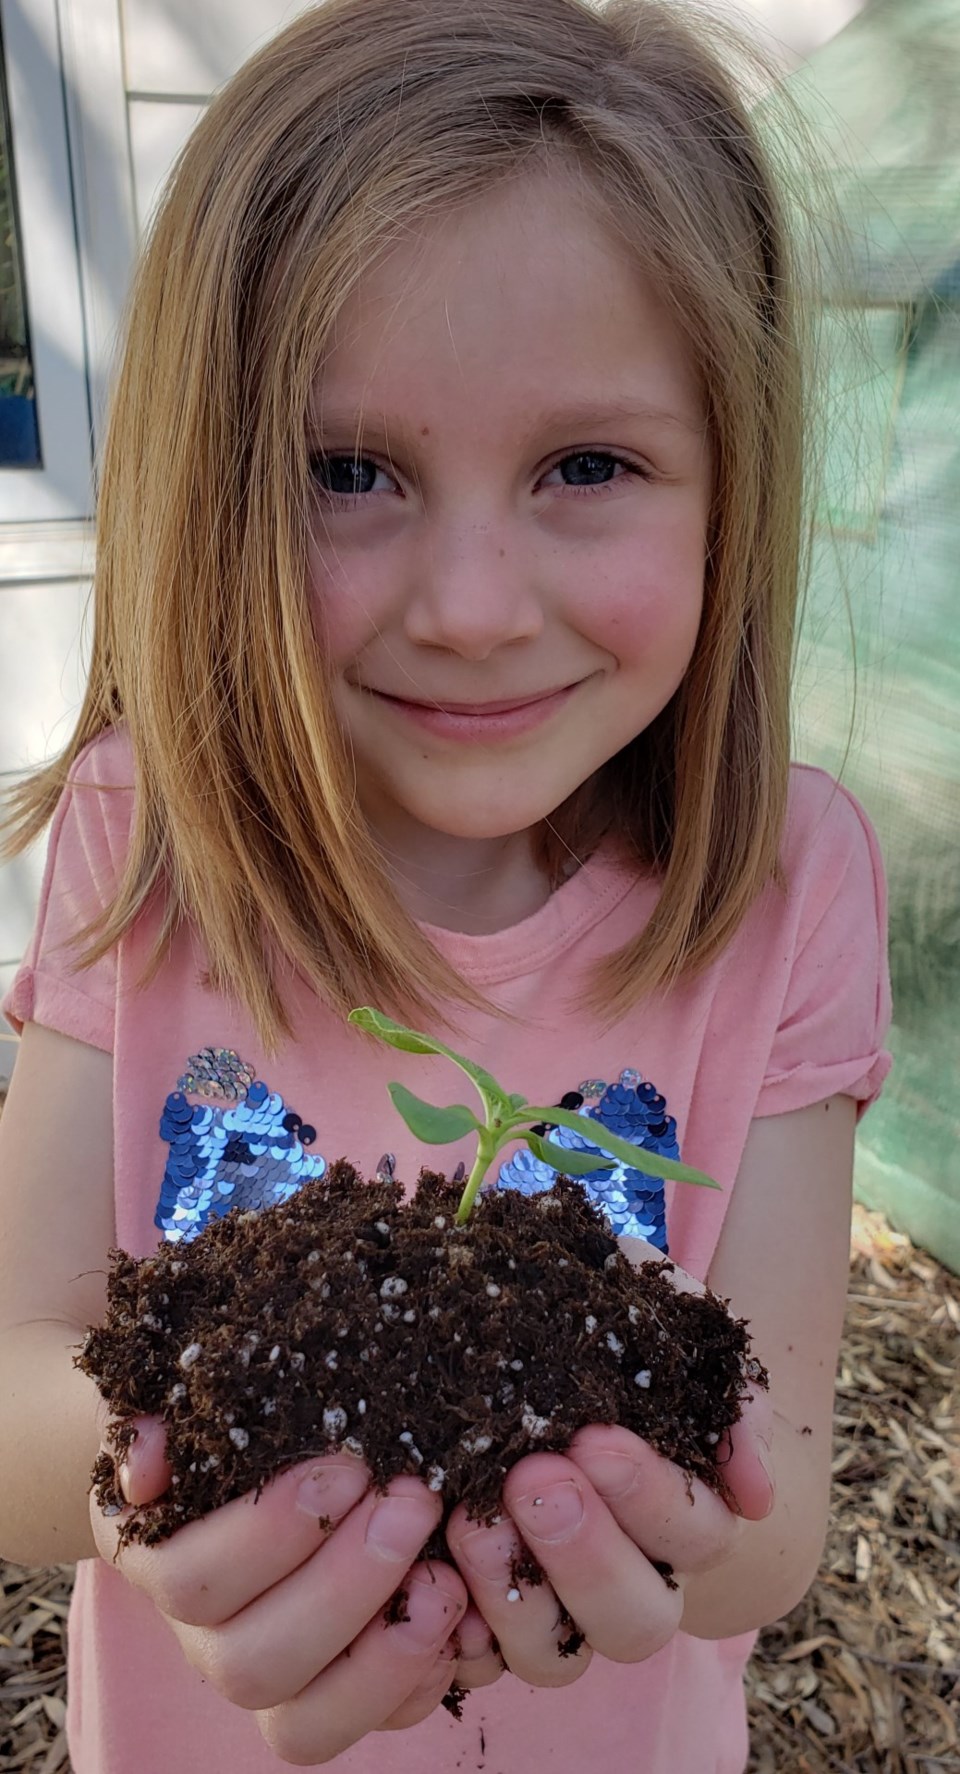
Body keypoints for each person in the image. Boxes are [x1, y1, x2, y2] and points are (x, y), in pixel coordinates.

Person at [0, 0, 892, 1769]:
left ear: (733, 486)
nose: (472, 604)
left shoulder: (791, 882)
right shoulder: (141, 830)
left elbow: (774, 1517)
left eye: (588, 467)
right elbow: (19, 1376)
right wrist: (156, 1485)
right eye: (350, 472)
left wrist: (681, 1530)